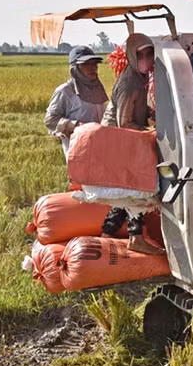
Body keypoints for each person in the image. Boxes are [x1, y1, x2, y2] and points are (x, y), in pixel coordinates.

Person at [100, 32, 164, 255]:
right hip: (118, 140)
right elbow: (124, 123)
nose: (146, 59)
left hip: (127, 139)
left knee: (127, 192)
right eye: (140, 55)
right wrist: (150, 132)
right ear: (131, 56)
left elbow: (138, 110)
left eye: (149, 54)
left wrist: (150, 113)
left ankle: (108, 234)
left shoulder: (140, 78)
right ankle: (135, 238)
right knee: (135, 189)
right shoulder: (129, 84)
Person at [44, 46, 108, 158]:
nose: (92, 68)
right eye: (86, 64)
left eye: (94, 64)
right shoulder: (65, 91)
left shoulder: (97, 89)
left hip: (99, 147)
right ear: (75, 68)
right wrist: (76, 125)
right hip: (77, 152)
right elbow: (50, 120)